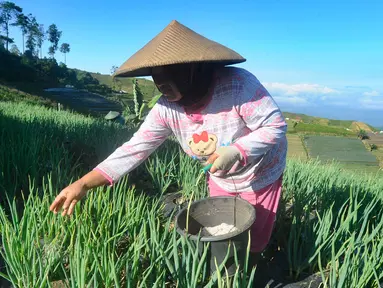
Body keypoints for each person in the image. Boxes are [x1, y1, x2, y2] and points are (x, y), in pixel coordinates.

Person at [49, 20, 287, 265]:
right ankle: (228, 267)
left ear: (195, 70)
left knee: (253, 233)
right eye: (157, 77)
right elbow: (135, 148)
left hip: (260, 172)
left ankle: (250, 266)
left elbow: (274, 126)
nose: (163, 86)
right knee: (224, 226)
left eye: (172, 76)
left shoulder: (238, 86)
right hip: (220, 175)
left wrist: (238, 150)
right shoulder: (167, 108)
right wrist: (83, 184)